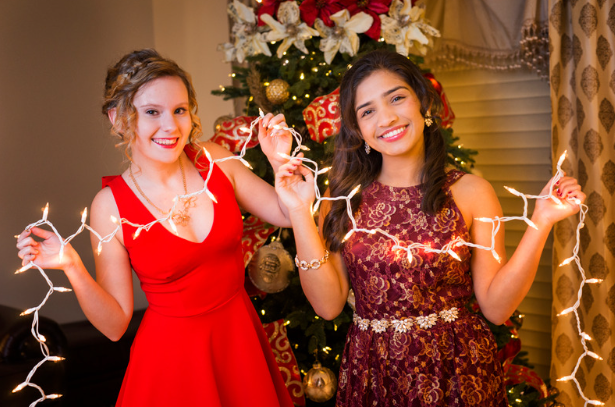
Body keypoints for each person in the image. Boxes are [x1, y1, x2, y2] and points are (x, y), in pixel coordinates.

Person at [275, 49, 585, 406]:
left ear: (422, 101)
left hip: (457, 371)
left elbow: (497, 309)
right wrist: (298, 210)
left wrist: (541, 221)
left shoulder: (471, 192)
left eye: (396, 98)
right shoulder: (343, 197)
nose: (387, 118)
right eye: (368, 111)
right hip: (372, 372)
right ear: (358, 129)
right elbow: (328, 306)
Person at [16, 49, 294, 407]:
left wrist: (279, 160)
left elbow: (289, 213)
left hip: (239, 340)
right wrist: (71, 264)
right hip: (171, 361)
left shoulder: (214, 160)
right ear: (118, 119)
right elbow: (115, 325)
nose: (171, 127)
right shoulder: (109, 206)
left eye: (180, 110)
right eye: (152, 112)